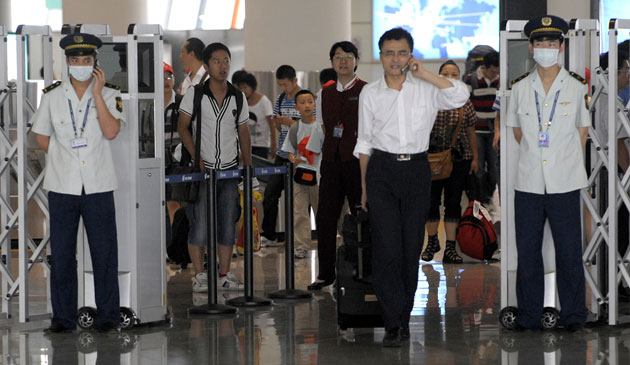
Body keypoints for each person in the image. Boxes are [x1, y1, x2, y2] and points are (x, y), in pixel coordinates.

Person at [354, 27, 468, 347]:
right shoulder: (371, 93)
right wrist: (364, 187)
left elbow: (460, 95)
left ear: (411, 55)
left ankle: (403, 318)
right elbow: (363, 143)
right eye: (389, 52)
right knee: (387, 248)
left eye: (402, 52)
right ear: (380, 56)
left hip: (418, 169)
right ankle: (393, 323)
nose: (395, 59)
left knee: (410, 249)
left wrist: (426, 74)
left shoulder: (426, 88)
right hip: (381, 171)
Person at [32, 33, 124, 333]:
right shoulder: (52, 96)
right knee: (61, 257)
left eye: (86, 60)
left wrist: (97, 94)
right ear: (67, 63)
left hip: (98, 185)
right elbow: (42, 138)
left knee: (105, 255)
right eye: (75, 60)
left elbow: (111, 132)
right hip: (62, 186)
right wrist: (65, 158)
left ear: (95, 63)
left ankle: (108, 316)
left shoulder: (111, 94)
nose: (80, 65)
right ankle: (63, 319)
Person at [506, 15, 590, 332]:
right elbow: (518, 133)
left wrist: (559, 161)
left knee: (569, 253)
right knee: (527, 254)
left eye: (551, 43)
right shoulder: (519, 88)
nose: (545, 48)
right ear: (531, 47)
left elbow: (581, 132)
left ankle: (573, 316)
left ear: (561, 47)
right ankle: (528, 316)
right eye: (540, 43)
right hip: (528, 183)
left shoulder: (576, 86)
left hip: (565, 182)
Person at [177, 42, 252, 292]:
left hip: (229, 171)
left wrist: (248, 166)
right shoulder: (196, 93)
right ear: (207, 66)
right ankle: (199, 275)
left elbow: (243, 130)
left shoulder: (237, 96)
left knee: (227, 223)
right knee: (199, 225)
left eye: (226, 60)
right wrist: (196, 156)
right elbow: (182, 126)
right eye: (217, 61)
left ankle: (223, 273)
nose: (223, 66)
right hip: (203, 171)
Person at [308, 41, 367, 291]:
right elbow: (323, 126)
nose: (343, 61)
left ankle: (364, 269)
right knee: (325, 218)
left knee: (361, 217)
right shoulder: (324, 93)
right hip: (331, 162)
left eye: (348, 56)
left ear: (356, 61)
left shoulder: (366, 91)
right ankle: (325, 274)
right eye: (338, 57)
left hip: (356, 162)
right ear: (332, 62)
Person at [422, 60, 479, 264]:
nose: (449, 77)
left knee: (453, 203)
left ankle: (450, 249)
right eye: (445, 73)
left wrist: (475, 158)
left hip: (458, 159)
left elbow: (472, 131)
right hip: (430, 158)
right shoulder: (428, 98)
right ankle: (431, 242)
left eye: (454, 74)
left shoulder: (464, 100)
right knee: (430, 202)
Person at [260, 65, 303, 247]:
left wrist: (292, 122)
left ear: (295, 81)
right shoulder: (280, 99)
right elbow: (278, 126)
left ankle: (299, 238)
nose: (284, 89)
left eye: (286, 85)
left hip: (301, 156)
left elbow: (312, 127)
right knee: (270, 193)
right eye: (281, 85)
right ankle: (270, 235)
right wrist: (279, 123)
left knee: (299, 199)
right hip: (282, 154)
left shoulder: (306, 99)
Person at [281, 89, 323, 259]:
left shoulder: (321, 126)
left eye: (310, 102)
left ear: (315, 104)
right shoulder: (295, 127)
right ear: (296, 107)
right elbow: (289, 151)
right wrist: (293, 158)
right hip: (299, 177)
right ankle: (301, 246)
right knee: (299, 213)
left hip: (319, 177)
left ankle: (327, 243)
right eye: (303, 102)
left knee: (321, 212)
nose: (307, 105)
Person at [465, 51, 500, 206]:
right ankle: (480, 201)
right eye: (492, 71)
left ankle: (489, 197)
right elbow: (465, 104)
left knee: (494, 169)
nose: (495, 75)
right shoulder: (471, 80)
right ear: (484, 67)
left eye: (497, 72)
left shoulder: (500, 80)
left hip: (494, 132)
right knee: (478, 168)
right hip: (476, 131)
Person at [236, 72, 277, 159]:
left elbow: (272, 124)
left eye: (245, 87)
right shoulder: (242, 102)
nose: (243, 90)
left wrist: (274, 145)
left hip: (262, 145)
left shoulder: (264, 102)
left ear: (252, 87)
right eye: (241, 88)